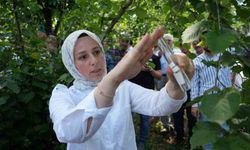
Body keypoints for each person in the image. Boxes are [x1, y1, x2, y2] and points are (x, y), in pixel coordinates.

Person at [49, 27, 194, 150]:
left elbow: (159, 104)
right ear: (70, 63)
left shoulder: (123, 87)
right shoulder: (62, 95)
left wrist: (176, 83)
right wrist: (114, 79)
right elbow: (68, 132)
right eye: (83, 57)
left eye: (96, 52)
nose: (93, 61)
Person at [191, 46, 233, 150]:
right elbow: (194, 84)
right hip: (206, 104)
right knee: (208, 134)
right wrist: (194, 105)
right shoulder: (197, 61)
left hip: (224, 102)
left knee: (225, 131)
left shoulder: (225, 55)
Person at [129, 44, 162, 149]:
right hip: (131, 92)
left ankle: (142, 142)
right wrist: (139, 68)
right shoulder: (133, 56)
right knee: (128, 118)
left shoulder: (155, 58)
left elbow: (160, 76)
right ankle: (130, 140)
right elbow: (126, 72)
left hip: (147, 93)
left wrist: (151, 70)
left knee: (145, 118)